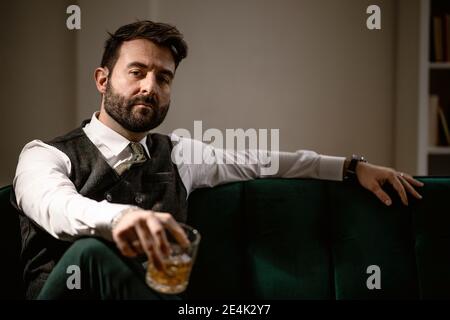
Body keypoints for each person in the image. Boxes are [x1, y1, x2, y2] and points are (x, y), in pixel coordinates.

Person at [11, 20, 424, 300]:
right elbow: (56, 207)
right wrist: (121, 220)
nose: (149, 87)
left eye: (163, 77)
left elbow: (265, 161)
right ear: (103, 79)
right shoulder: (43, 155)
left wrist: (352, 167)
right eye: (136, 72)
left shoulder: (182, 157)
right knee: (90, 254)